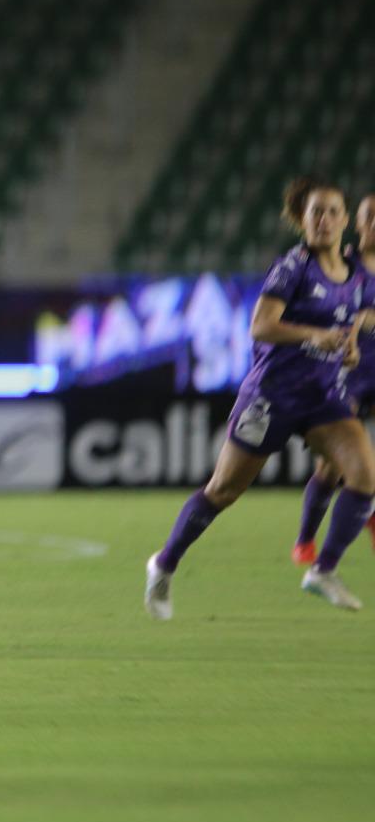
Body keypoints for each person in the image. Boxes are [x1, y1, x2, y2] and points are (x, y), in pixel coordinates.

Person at [146, 177, 371, 619]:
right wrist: (316, 335)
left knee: (365, 475)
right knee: (223, 491)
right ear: (302, 221)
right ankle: (164, 563)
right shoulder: (294, 267)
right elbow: (261, 326)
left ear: (346, 220)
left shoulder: (355, 276)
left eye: (331, 211)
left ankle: (322, 570)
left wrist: (349, 348)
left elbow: (350, 331)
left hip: (323, 397)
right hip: (272, 397)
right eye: (315, 213)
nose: (324, 220)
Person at [291, 194, 375, 566]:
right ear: (356, 224)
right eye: (370, 216)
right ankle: (306, 540)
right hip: (349, 372)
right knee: (332, 466)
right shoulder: (346, 266)